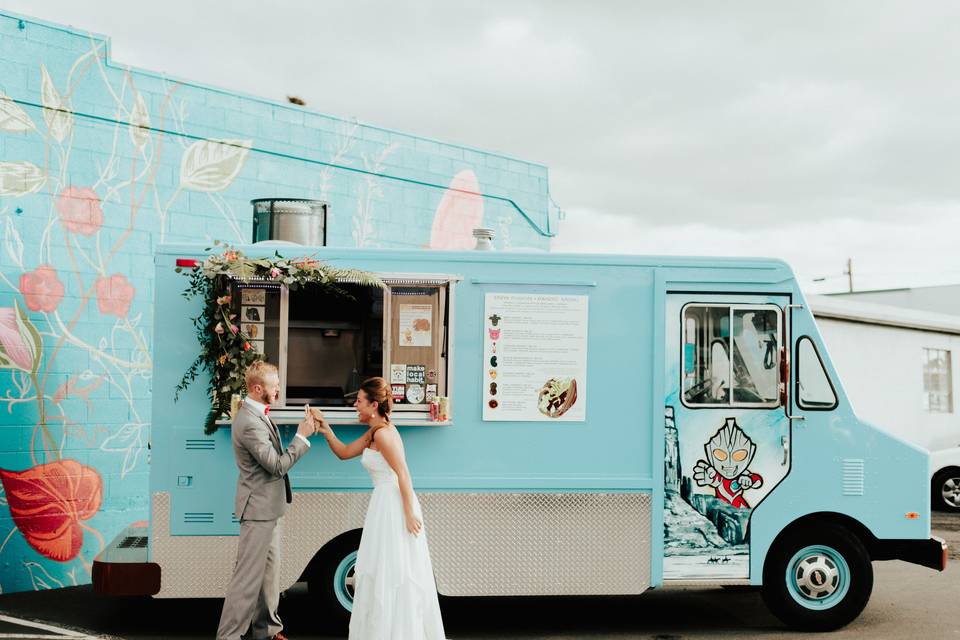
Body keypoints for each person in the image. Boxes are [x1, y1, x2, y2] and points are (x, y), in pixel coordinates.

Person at [313, 376, 446, 639]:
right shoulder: (375, 431)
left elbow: (403, 474)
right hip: (382, 504)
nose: (355, 406)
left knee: (392, 570)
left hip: (393, 506)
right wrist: (325, 429)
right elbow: (344, 452)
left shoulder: (384, 434)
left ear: (374, 405)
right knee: (380, 569)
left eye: (360, 402)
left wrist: (409, 513)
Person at [217, 360, 317, 640]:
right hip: (258, 511)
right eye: (274, 386)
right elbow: (275, 465)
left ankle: (268, 631)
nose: (278, 390)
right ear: (258, 387)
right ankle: (229, 637)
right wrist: (302, 437)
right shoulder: (249, 421)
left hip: (269, 509)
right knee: (246, 581)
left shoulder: (258, 414)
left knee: (269, 579)